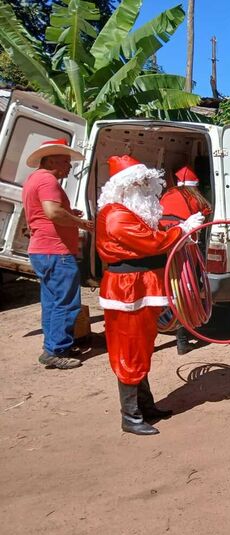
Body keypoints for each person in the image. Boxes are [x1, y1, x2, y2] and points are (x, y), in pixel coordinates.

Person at [97, 155, 205, 435]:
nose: (147, 188)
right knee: (129, 349)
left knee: (141, 347)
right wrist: (182, 229)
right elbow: (151, 242)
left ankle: (144, 406)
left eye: (148, 182)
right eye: (141, 183)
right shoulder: (117, 216)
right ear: (125, 186)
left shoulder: (130, 213)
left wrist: (179, 228)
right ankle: (130, 415)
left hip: (141, 285)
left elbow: (152, 233)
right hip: (128, 289)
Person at [22, 138, 93, 369]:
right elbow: (52, 212)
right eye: (66, 161)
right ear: (51, 160)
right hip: (56, 251)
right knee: (65, 302)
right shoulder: (48, 180)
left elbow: (42, 212)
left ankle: (53, 344)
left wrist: (69, 213)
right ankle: (56, 350)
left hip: (42, 250)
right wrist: (80, 222)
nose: (70, 167)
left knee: (52, 301)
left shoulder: (34, 179)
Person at [159, 166, 213, 355]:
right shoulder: (195, 198)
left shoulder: (166, 196)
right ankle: (182, 341)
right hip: (185, 250)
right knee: (184, 294)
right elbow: (207, 211)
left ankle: (157, 331)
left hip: (164, 249)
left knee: (168, 292)